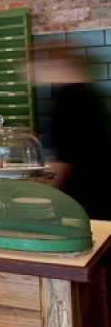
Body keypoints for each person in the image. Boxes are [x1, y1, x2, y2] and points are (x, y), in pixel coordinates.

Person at [33, 41, 111, 220]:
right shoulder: (85, 92)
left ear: (52, 63)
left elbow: (68, 155)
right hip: (98, 187)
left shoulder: (69, 97)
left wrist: (47, 192)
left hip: (87, 193)